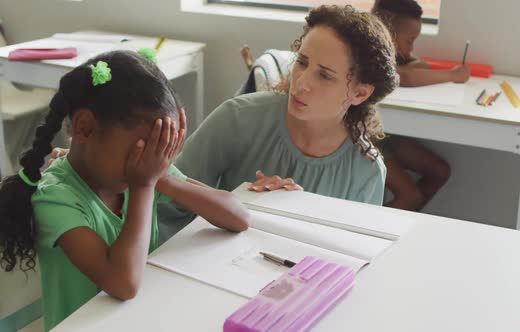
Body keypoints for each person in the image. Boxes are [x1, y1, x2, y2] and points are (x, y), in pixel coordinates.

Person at [48, 5, 399, 240]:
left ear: (359, 93)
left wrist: (297, 212)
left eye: (324, 75)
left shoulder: (366, 172)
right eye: (302, 61)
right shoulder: (239, 118)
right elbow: (165, 204)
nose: (302, 81)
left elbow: (352, 260)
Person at [0, 50, 250, 331]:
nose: (149, 162)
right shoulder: (55, 198)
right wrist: (145, 183)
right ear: (84, 128)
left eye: (158, 152)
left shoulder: (143, 172)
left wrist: (159, 176)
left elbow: (238, 216)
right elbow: (123, 283)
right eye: (142, 152)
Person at [371, 0, 454, 211]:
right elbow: (406, 77)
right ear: (387, 31)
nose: (412, 48)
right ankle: (375, 235)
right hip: (360, 136)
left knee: (440, 171)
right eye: (409, 41)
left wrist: (407, 54)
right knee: (410, 197)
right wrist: (453, 75)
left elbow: (417, 65)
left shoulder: (391, 53)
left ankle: (401, 222)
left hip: (383, 131)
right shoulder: (367, 50)